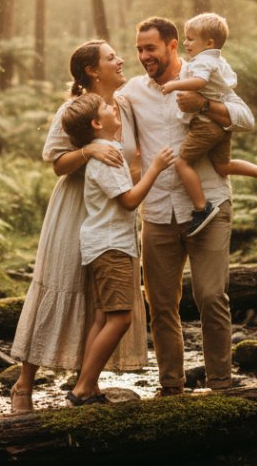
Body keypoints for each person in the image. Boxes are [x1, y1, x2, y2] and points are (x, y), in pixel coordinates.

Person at [8, 41, 148, 412]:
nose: (120, 60)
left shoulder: (125, 107)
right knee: (60, 285)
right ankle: (24, 384)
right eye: (111, 57)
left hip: (113, 210)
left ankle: (88, 382)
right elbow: (56, 162)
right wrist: (87, 151)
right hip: (75, 210)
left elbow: (132, 160)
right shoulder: (73, 109)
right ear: (91, 70)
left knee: (101, 300)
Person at [118, 17, 255, 396]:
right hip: (159, 213)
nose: (145, 56)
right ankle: (172, 389)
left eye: (151, 49)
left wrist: (205, 104)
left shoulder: (206, 76)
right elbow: (100, 107)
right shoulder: (132, 92)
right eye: (139, 50)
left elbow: (246, 118)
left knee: (211, 297)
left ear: (173, 45)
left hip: (209, 206)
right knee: (161, 305)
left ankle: (221, 386)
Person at [59, 93, 174, 405]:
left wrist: (138, 164)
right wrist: (156, 168)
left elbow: (120, 190)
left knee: (102, 317)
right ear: (97, 123)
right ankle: (82, 388)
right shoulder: (107, 153)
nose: (113, 108)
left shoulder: (106, 153)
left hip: (102, 244)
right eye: (106, 107)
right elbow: (129, 200)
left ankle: (90, 385)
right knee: (120, 318)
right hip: (112, 246)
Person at [160, 12, 257, 236]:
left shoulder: (203, 62)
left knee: (182, 164)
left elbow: (199, 82)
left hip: (206, 125)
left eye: (190, 38)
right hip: (220, 127)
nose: (185, 43)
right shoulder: (218, 61)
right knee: (222, 166)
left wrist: (174, 85)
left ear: (209, 43)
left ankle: (202, 208)